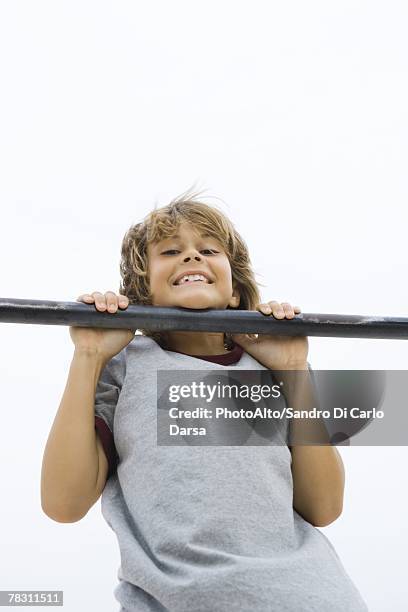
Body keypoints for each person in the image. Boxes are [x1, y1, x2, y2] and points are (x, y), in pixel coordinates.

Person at [41, 187, 369, 611]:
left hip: (312, 597)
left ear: (235, 290)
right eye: (171, 251)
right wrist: (87, 356)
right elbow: (63, 503)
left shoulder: (274, 369)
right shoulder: (124, 365)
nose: (192, 257)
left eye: (209, 249)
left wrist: (293, 367)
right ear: (143, 291)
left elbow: (323, 507)